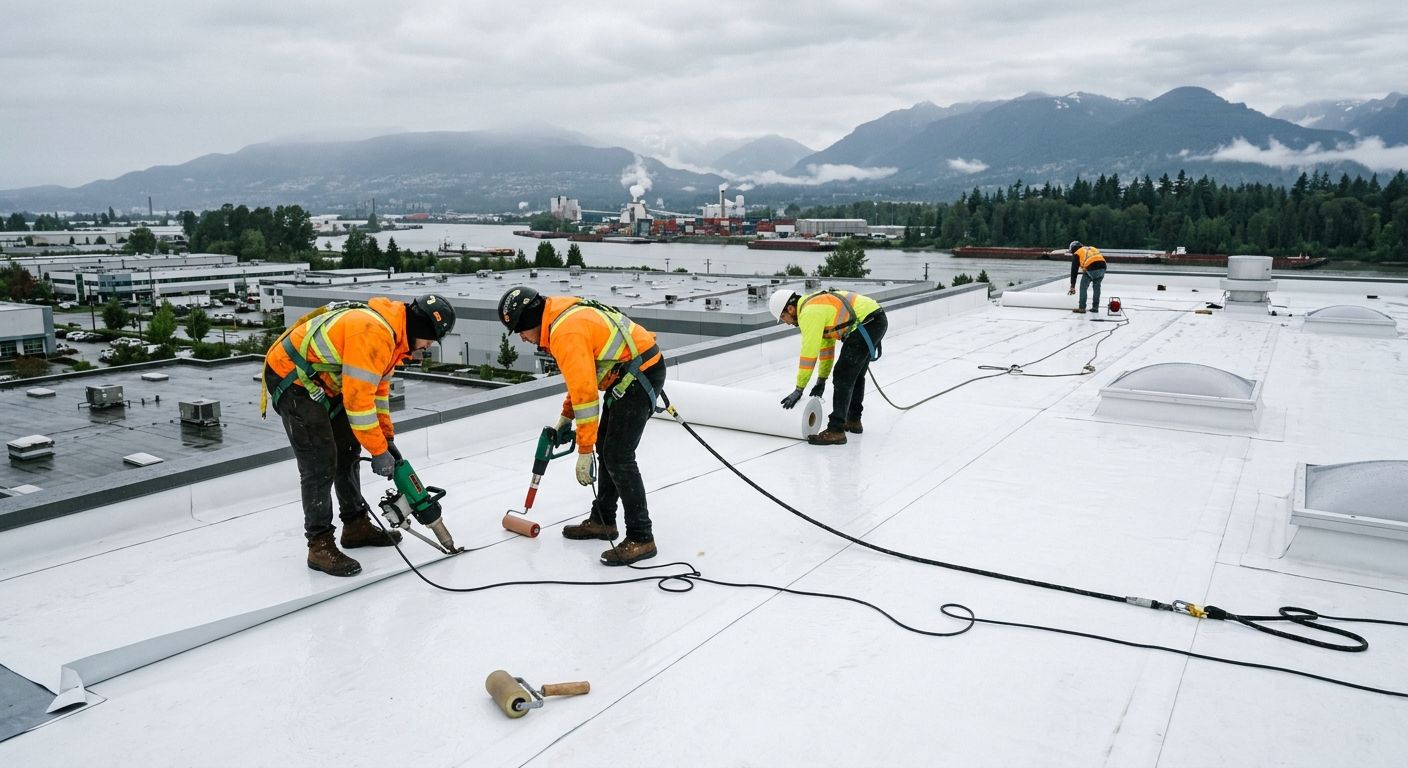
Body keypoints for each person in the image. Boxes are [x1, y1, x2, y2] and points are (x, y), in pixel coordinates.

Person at [262, 294, 456, 576]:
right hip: (291, 378)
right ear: (421, 328)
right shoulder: (373, 332)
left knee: (349, 449)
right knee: (320, 460)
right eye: (429, 340)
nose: (427, 346)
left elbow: (376, 395)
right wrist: (377, 451)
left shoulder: (392, 339)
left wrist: (386, 440)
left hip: (322, 381)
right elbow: (358, 404)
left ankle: (355, 526)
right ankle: (319, 545)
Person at [498, 286, 666, 566]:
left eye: (520, 330)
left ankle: (641, 536)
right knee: (608, 449)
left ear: (531, 320)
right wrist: (566, 415)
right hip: (626, 374)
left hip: (639, 375)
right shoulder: (559, 317)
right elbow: (582, 378)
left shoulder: (565, 332)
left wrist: (584, 451)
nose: (522, 338)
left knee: (618, 456)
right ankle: (603, 520)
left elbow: (587, 396)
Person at [769, 288, 887, 446]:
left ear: (790, 308)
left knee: (842, 375)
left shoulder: (809, 313)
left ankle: (836, 430)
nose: (787, 322)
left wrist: (799, 389)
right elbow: (826, 348)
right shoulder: (815, 305)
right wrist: (821, 380)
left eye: (784, 317)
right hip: (873, 321)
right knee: (855, 375)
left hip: (867, 324)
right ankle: (853, 420)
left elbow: (808, 353)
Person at [1067, 240, 1107, 314]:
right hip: (1103, 267)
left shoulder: (1077, 253)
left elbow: (1074, 270)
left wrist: (1072, 286)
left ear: (1073, 249)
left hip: (1091, 267)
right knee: (1097, 287)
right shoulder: (1091, 248)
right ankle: (1095, 308)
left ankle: (1082, 308)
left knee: (1083, 287)